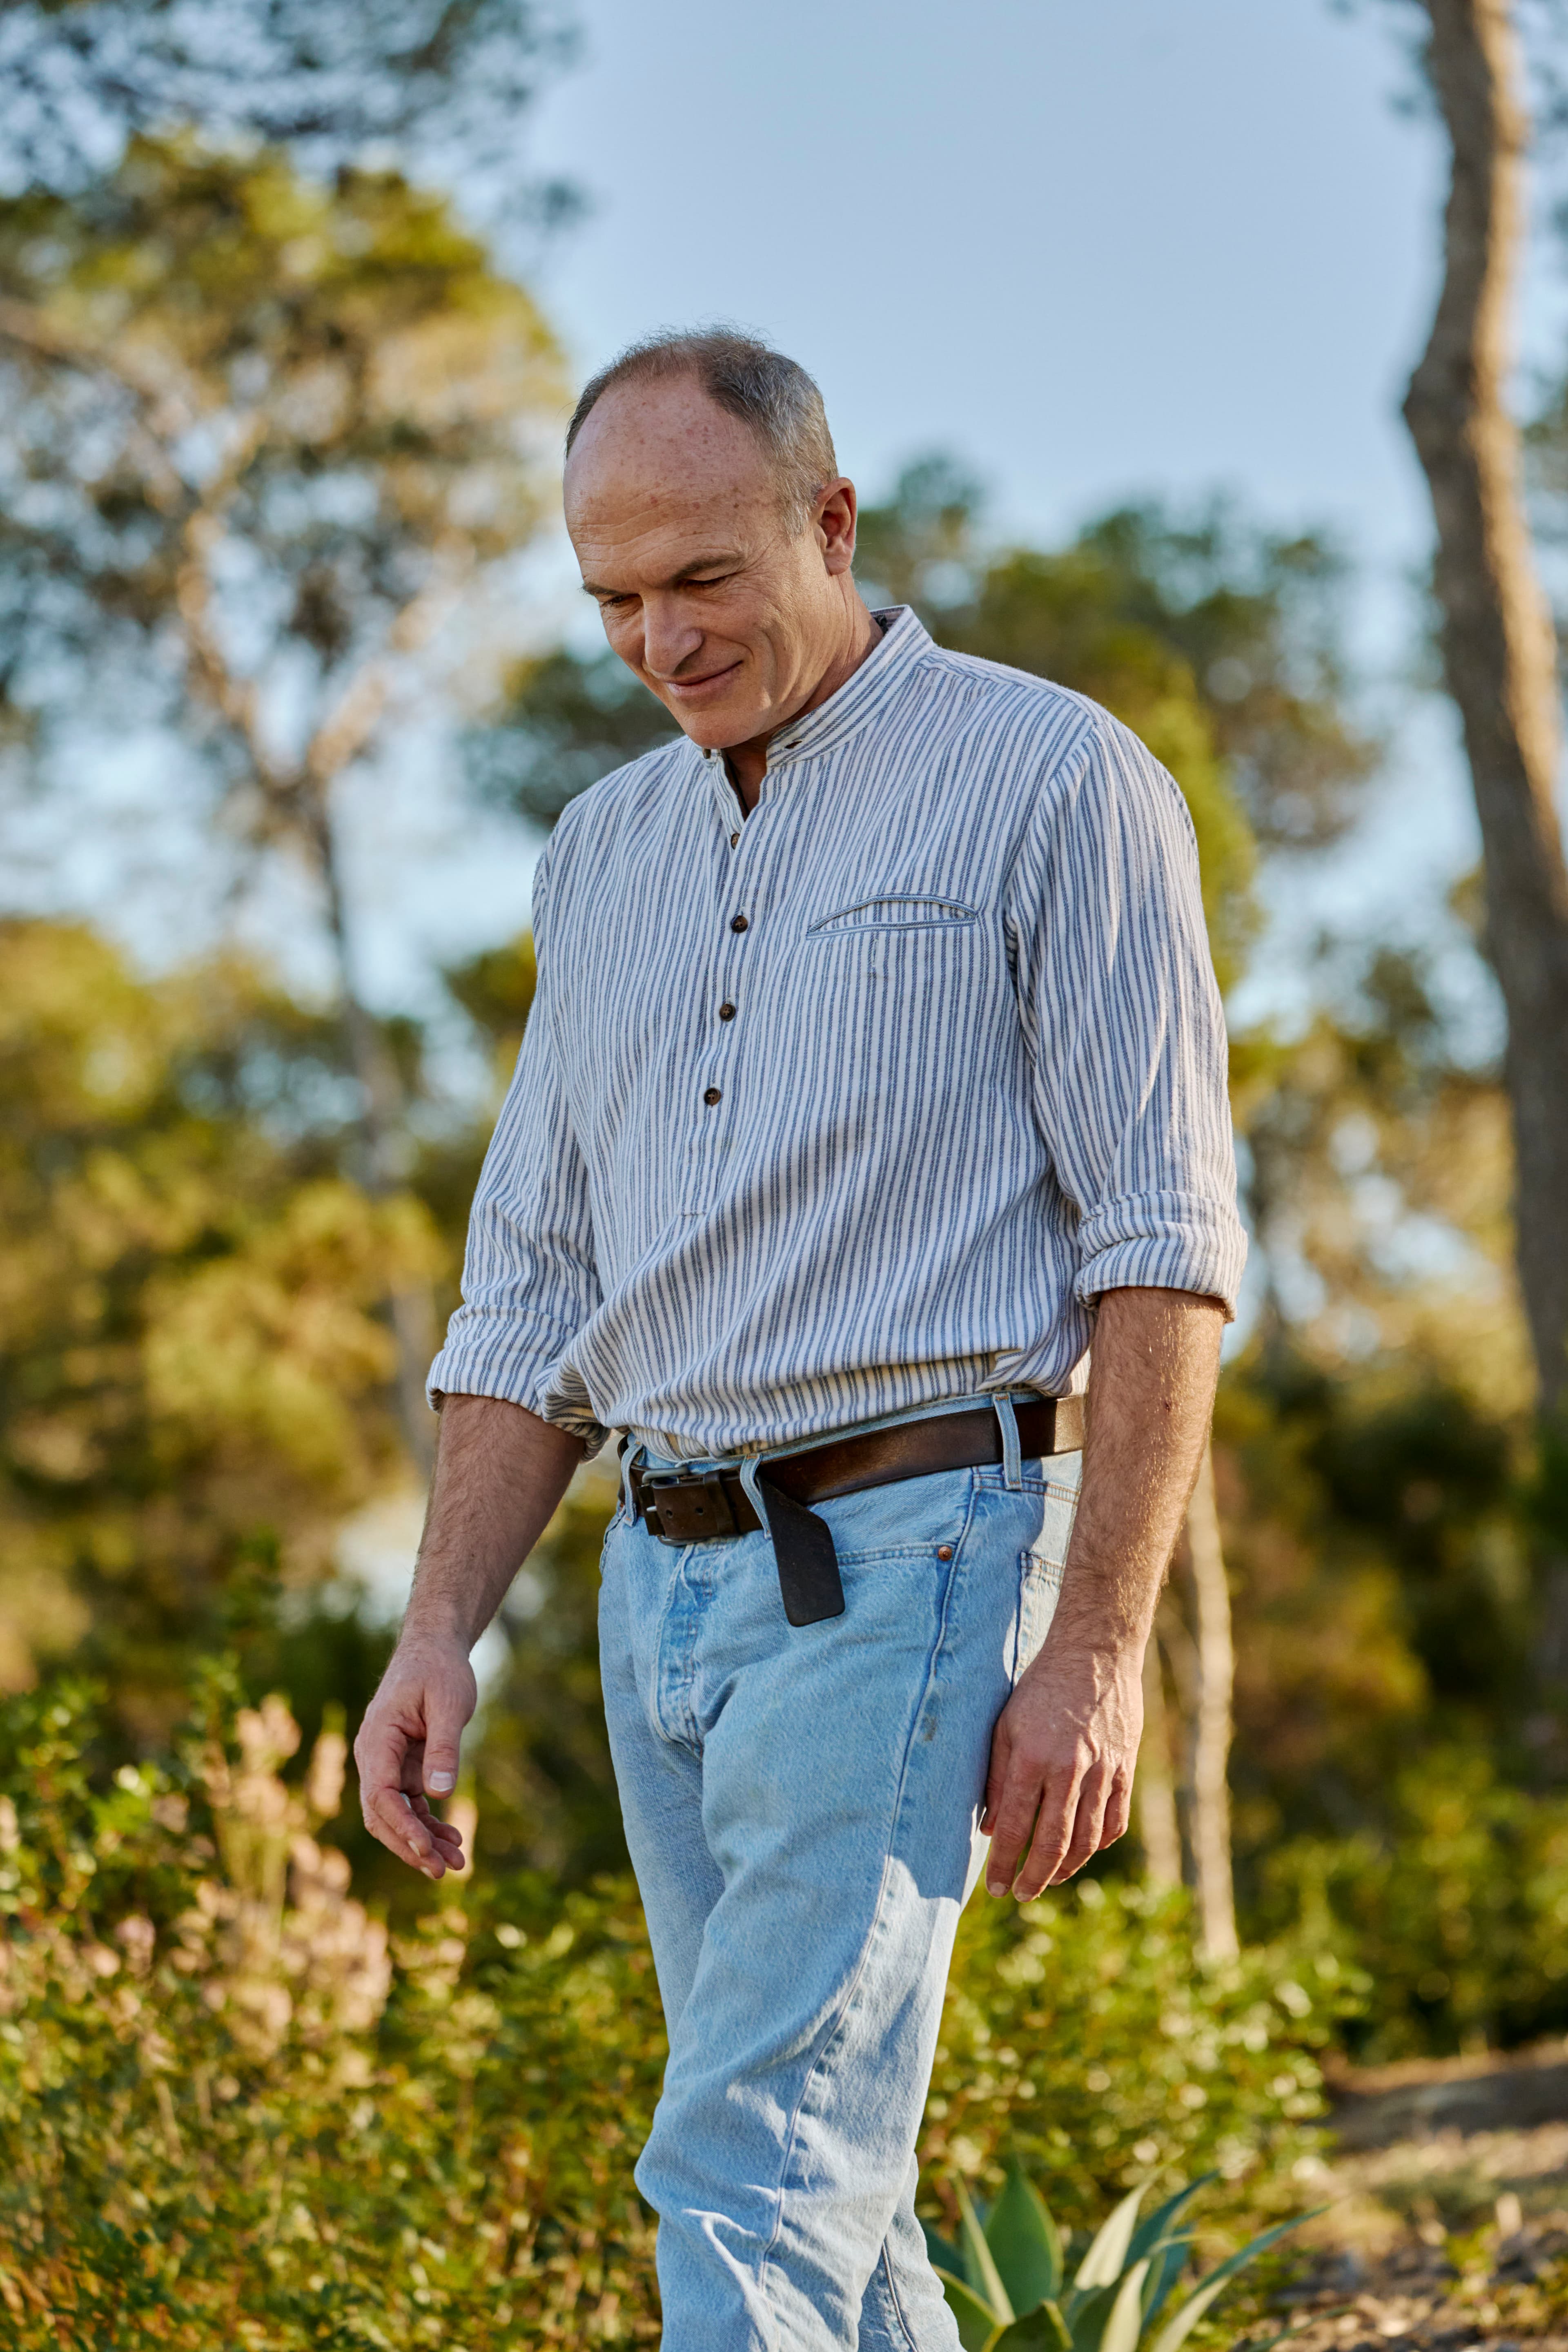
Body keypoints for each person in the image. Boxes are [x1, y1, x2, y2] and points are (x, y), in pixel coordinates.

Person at [354, 328, 1246, 2352]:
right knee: (836, 2221)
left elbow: (1166, 1247)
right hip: (653, 1599)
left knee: (748, 2174)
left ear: (829, 524)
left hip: (917, 1560)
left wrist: (1096, 1648)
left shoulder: (1053, 778)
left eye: (704, 582)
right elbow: (532, 1289)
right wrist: (437, 1630)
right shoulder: (599, 858)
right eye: (613, 601)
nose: (660, 643)